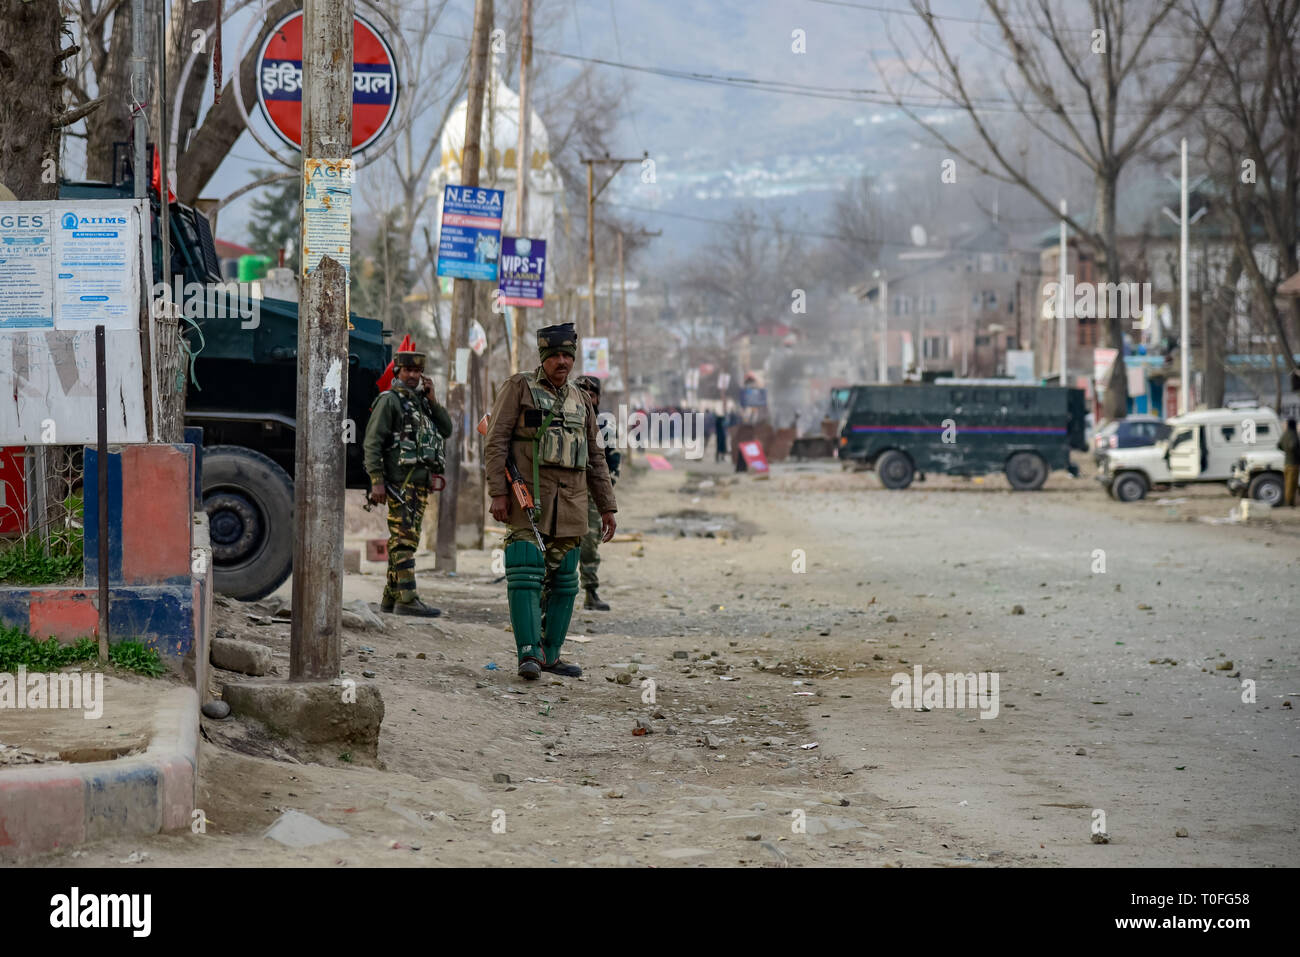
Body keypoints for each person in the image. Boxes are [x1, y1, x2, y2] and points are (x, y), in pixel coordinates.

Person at [485, 324, 617, 680]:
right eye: (556, 356)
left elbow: (595, 455)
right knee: (525, 572)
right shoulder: (519, 388)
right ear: (543, 358)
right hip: (528, 501)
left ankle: (551, 654)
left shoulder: (580, 400)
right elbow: (496, 440)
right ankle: (528, 653)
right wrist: (498, 491)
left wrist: (607, 506)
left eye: (568, 356)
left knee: (564, 582)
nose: (563, 362)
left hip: (572, 506)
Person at [362, 350, 453, 617]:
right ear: (397, 371)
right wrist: (377, 482)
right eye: (407, 371)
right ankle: (408, 598)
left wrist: (433, 400)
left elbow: (446, 429)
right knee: (404, 540)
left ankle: (390, 600)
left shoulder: (422, 403)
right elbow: (372, 443)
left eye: (417, 371)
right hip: (401, 483)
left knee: (405, 539)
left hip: (420, 484)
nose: (412, 376)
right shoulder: (389, 401)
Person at [575, 374, 621, 611]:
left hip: (592, 495)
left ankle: (590, 592)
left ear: (598, 398)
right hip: (566, 492)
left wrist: (605, 498)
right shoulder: (566, 417)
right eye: (582, 393)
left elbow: (612, 461)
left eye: (591, 395)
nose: (586, 399)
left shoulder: (604, 424)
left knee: (590, 544)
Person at [1280, 417, 1300, 507]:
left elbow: (1279, 445)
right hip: (1293, 464)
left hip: (1287, 463)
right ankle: (1289, 502)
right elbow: (1293, 446)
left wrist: (1286, 451)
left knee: (1288, 483)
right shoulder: (1293, 434)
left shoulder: (1285, 434)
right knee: (1291, 484)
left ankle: (1290, 501)